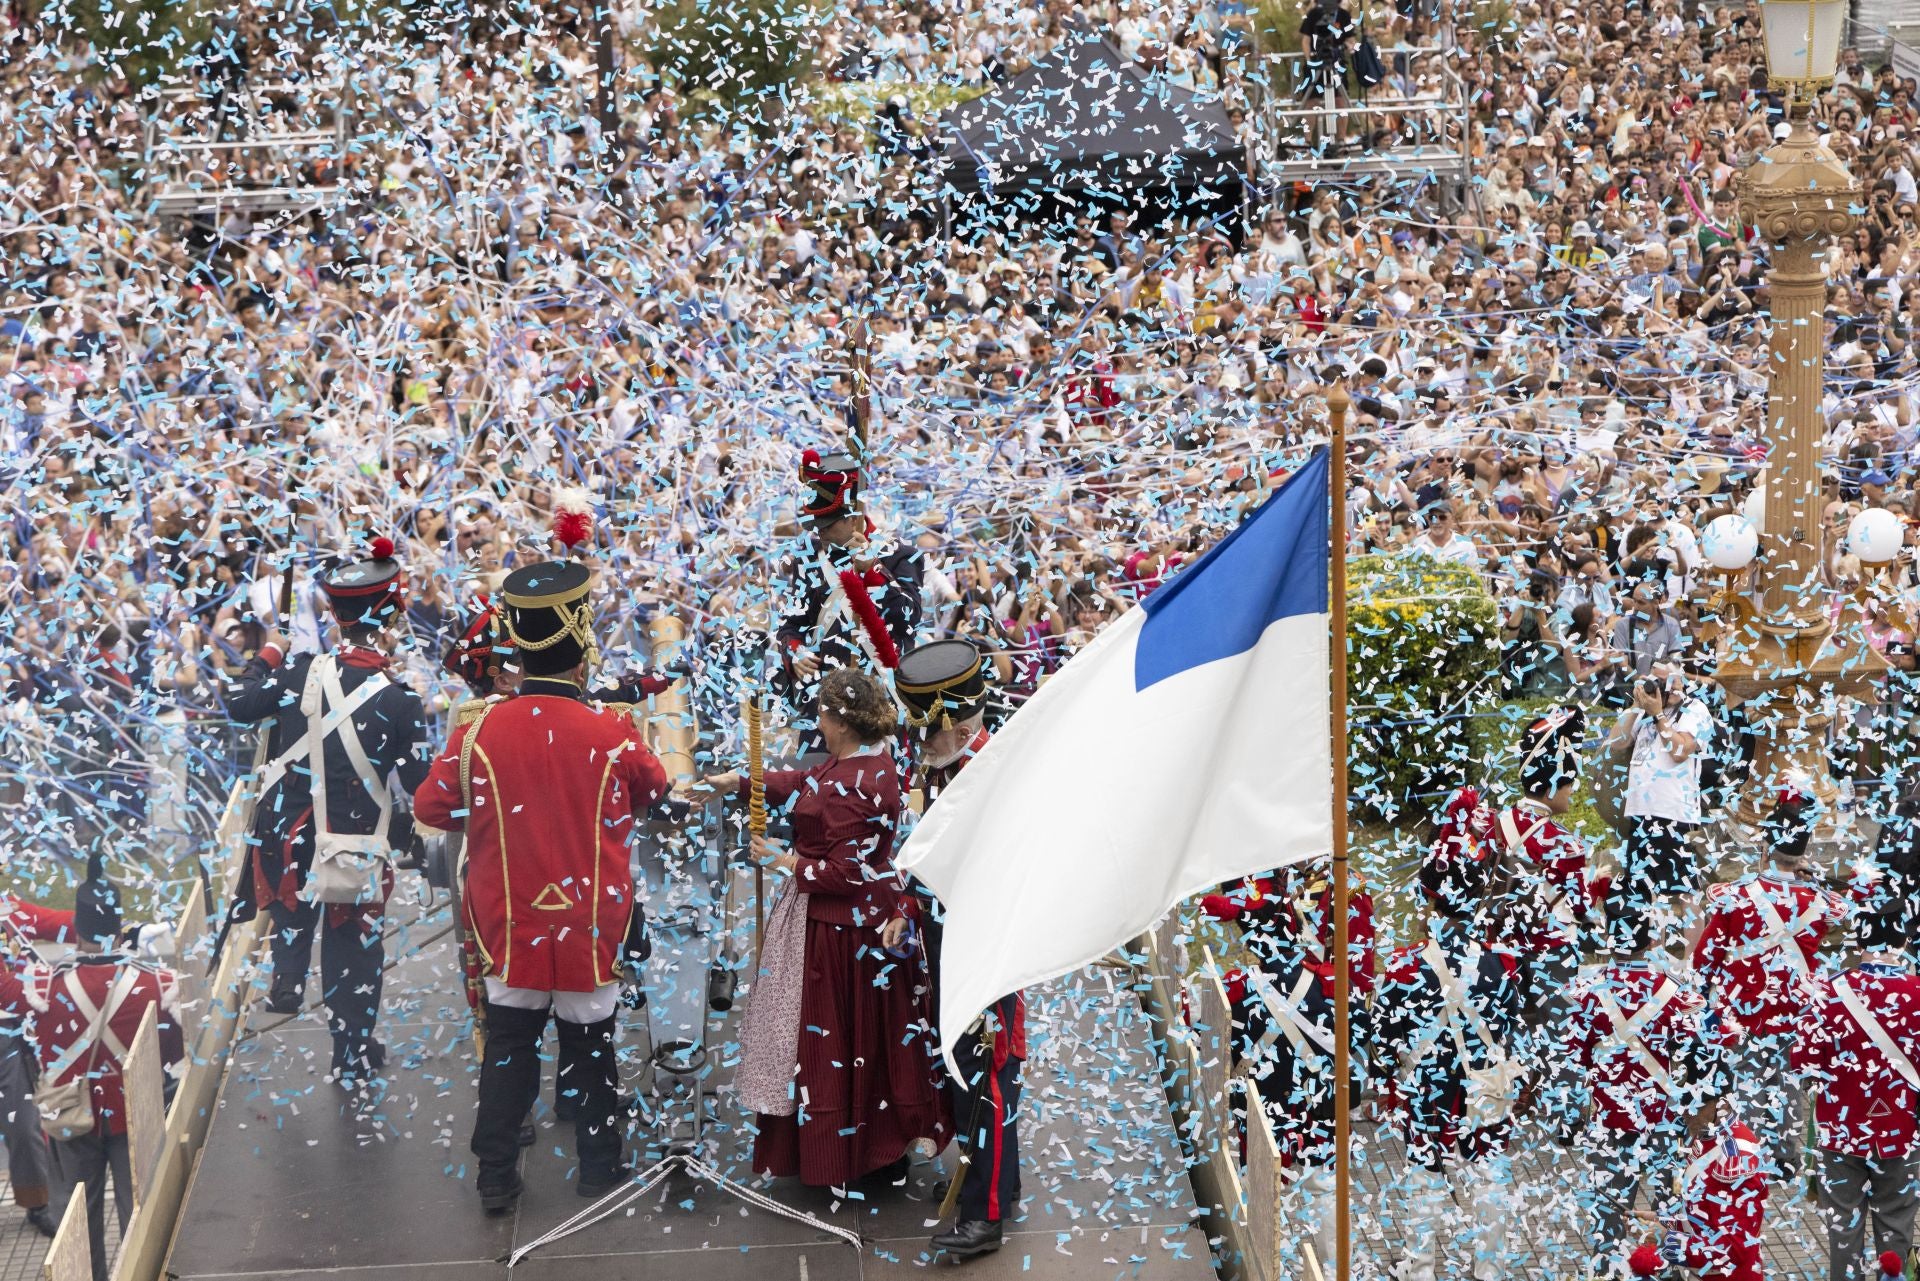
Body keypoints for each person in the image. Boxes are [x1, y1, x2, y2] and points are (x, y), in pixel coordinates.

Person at [414, 558, 667, 1210]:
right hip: (589, 919)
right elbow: (655, 789)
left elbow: (430, 808)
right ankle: (598, 1167)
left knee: (509, 1043)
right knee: (591, 1044)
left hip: (511, 917)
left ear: (519, 650)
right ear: (581, 653)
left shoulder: (478, 732)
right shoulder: (612, 731)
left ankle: (496, 1176)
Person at [704, 667, 948, 1190]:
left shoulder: (851, 785)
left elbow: (844, 873)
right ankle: (872, 1146)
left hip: (841, 934)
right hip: (859, 922)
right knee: (871, 1041)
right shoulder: (868, 763)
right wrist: (743, 781)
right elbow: (806, 783)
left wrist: (783, 860)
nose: (817, 721)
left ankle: (853, 1154)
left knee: (834, 1040)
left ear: (840, 721)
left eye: (822, 713)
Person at [223, 536, 433, 1081]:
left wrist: (270, 648)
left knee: (293, 900)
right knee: (354, 952)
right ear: (390, 619)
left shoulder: (295, 673)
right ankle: (353, 1050)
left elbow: (239, 704)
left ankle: (288, 978)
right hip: (356, 844)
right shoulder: (400, 699)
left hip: (293, 838)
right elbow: (418, 784)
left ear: (335, 617)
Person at [895, 639, 1023, 1261]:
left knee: (986, 1080)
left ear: (956, 723)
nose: (920, 744)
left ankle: (985, 1216)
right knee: (965, 1075)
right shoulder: (947, 765)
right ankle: (995, 1183)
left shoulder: (991, 776)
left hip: (985, 944)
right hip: (946, 937)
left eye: (927, 731)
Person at [0, 861, 184, 1281]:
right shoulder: (160, 984)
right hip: (133, 1116)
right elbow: (170, 1055)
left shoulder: (44, 986)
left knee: (78, 1227)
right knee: (141, 1216)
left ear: (77, 934)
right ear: (119, 930)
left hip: (70, 1121)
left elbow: (4, 990)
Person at [1206, 859, 1373, 1267]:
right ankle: (1336, 1272)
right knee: (1324, 1188)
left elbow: (1212, 1059)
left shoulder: (1234, 989)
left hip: (1263, 1119)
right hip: (1321, 1109)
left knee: (1260, 1195)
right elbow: (1363, 1042)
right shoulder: (1334, 986)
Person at [1374, 825, 1524, 1281]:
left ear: (1430, 897)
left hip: (1428, 1087)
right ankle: (1490, 1269)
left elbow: (1383, 1040)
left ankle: (1420, 1269)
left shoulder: (1403, 965)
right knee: (1490, 1176)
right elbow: (1510, 1028)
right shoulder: (1503, 962)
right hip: (1484, 1084)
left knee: (1425, 1176)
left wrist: (1393, 1075)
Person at [1691, 792, 1844, 1181]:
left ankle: (1747, 1153)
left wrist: (1703, 995)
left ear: (1766, 844)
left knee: (1746, 1084)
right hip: (1795, 1007)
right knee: (1790, 1084)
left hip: (1743, 1008)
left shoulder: (1737, 896)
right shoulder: (1820, 902)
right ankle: (1787, 1157)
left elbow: (1705, 956)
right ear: (1805, 848)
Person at [1567, 906, 1720, 1276]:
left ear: (1609, 939)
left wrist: (1572, 1116)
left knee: (1609, 1214)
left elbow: (1575, 1060)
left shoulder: (1587, 993)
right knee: (1668, 1210)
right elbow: (1694, 1054)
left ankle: (1609, 1271)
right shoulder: (1673, 992)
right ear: (1651, 939)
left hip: (1609, 1119)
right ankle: (1666, 1272)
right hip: (1662, 1119)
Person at [1792, 902, 1920, 1281]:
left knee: (1843, 1229)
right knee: (1896, 1222)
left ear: (1857, 937)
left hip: (1839, 1129)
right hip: (1902, 1128)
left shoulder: (1827, 992)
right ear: (1906, 938)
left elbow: (1804, 1064)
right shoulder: (1917, 992)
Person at [770, 450, 921, 739]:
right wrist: (796, 652)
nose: (820, 532)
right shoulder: (809, 558)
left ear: (853, 518)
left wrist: (873, 573)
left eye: (828, 524)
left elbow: (909, 619)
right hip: (825, 707)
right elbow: (790, 625)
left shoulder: (900, 555)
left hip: (882, 703)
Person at [1610, 665, 1714, 923]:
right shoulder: (1645, 714)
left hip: (1673, 812)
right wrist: (1636, 706)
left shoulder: (1695, 709)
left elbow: (1680, 752)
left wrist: (1658, 714)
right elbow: (1616, 744)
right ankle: (1652, 954)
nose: (1658, 686)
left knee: (1684, 891)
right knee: (1643, 891)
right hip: (1640, 812)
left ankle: (1691, 959)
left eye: (1664, 680)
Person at [0, 893, 75, 1238]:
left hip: (9, 1040)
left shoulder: (6, 908)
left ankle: (37, 1202)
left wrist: (105, 925)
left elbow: (51, 923)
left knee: (25, 1127)